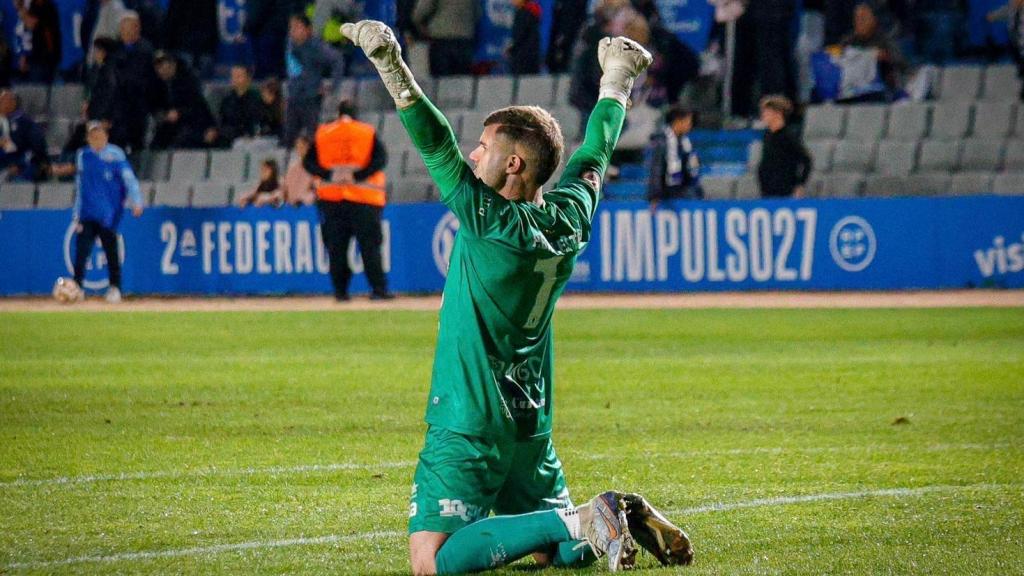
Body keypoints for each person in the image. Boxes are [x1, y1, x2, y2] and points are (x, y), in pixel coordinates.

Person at [342, 19, 693, 575]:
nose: (472, 155)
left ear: (512, 164)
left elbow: (432, 141)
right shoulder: (570, 216)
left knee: (434, 564)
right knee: (550, 550)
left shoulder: (488, 221)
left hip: (471, 418)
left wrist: (393, 66)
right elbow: (596, 152)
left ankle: (584, 520)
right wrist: (618, 81)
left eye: (483, 148)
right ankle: (610, 515)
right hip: (530, 422)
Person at [304, 99, 392, 301]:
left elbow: (308, 162)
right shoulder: (366, 132)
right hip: (365, 199)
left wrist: (328, 175)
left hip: (332, 200)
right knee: (370, 247)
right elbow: (381, 159)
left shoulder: (323, 133)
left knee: (337, 250)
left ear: (338, 112)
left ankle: (341, 292)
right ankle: (378, 290)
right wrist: (359, 175)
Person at [59, 121, 144, 303]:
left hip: (109, 213)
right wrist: (77, 212)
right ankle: (78, 287)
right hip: (87, 212)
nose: (96, 139)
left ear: (106, 136)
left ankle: (115, 288)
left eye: (99, 135)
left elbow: (129, 179)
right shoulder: (83, 156)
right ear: (88, 139)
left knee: (111, 251)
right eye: (92, 136)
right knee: (81, 252)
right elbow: (80, 186)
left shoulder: (115, 155)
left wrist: (136, 201)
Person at [284, 14, 344, 145]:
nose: (293, 31)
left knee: (312, 140)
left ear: (308, 29)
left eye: (297, 27)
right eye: (291, 27)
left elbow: (337, 60)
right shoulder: (290, 44)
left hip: (310, 99)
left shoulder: (316, 47)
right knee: (289, 139)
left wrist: (333, 85)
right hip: (293, 98)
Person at [150, 51, 215, 149]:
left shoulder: (188, 81)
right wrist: (163, 115)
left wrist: (179, 113)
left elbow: (197, 107)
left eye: (164, 65)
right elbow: (154, 106)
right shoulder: (158, 85)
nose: (161, 70)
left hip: (191, 125)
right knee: (156, 144)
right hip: (170, 126)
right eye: (158, 67)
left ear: (173, 64)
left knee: (183, 140)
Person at [757, 95, 812, 198]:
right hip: (767, 191)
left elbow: (806, 160)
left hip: (785, 191)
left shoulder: (788, 136)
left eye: (767, 112)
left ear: (777, 114)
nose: (763, 115)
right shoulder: (767, 135)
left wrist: (800, 185)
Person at [648, 106, 701, 209]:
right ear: (678, 121)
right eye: (687, 122)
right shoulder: (662, 141)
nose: (690, 126)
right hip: (666, 193)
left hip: (683, 191)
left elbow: (691, 168)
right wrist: (654, 196)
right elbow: (656, 168)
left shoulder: (686, 143)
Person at [411, 0, 480, 76]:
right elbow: (477, 13)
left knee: (441, 82)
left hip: (441, 40)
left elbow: (420, 12)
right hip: (464, 42)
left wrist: (422, 28)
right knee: (462, 81)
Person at [205, 65, 267, 148]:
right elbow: (221, 122)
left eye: (239, 76)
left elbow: (257, 123)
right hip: (227, 135)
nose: (234, 79)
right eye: (233, 76)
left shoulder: (257, 99)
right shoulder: (227, 100)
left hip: (247, 137)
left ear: (248, 79)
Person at [0, 89, 48, 181]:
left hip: (21, 167)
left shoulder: (21, 121)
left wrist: (15, 164)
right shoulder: (5, 120)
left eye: (2, 100)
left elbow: (36, 145)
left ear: (12, 103)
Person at [14, 0, 61, 83]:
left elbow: (31, 24)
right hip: (36, 58)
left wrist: (20, 8)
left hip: (43, 59)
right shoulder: (33, 5)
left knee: (38, 89)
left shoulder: (44, 5)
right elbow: (26, 33)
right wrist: (24, 56)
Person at [506, 0, 541, 75]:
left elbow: (519, 34)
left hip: (522, 57)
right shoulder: (532, 11)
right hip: (532, 55)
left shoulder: (523, 13)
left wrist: (511, 48)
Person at [281, 135, 316, 205]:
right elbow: (284, 188)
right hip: (291, 209)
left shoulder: (317, 168)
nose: (300, 149)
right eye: (298, 147)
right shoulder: (293, 168)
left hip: (308, 208)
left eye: (303, 146)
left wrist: (304, 199)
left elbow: (317, 190)